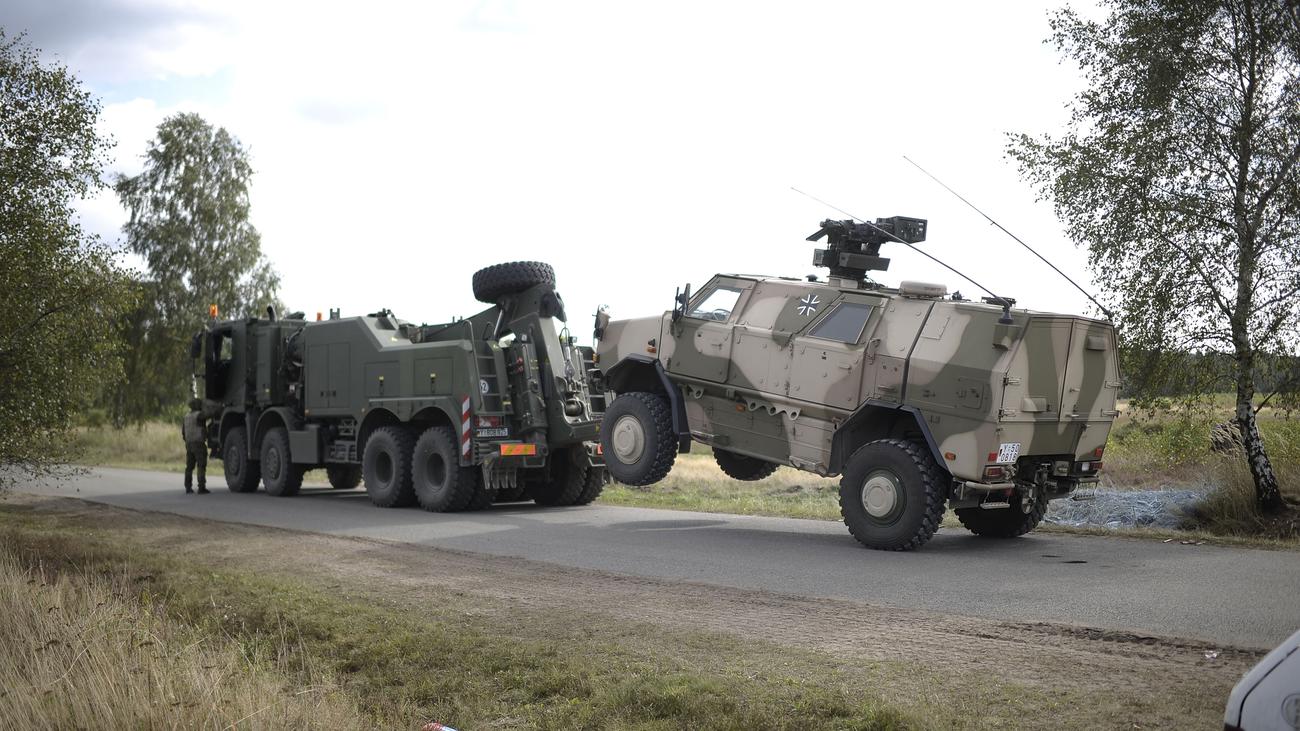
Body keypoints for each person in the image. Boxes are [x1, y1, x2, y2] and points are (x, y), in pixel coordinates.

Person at [182, 398, 211, 494]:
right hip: (198, 443)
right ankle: (201, 487)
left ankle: (188, 487)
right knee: (201, 465)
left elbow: (183, 432)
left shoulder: (186, 416)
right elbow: (210, 414)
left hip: (189, 444)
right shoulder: (199, 415)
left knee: (189, 467)